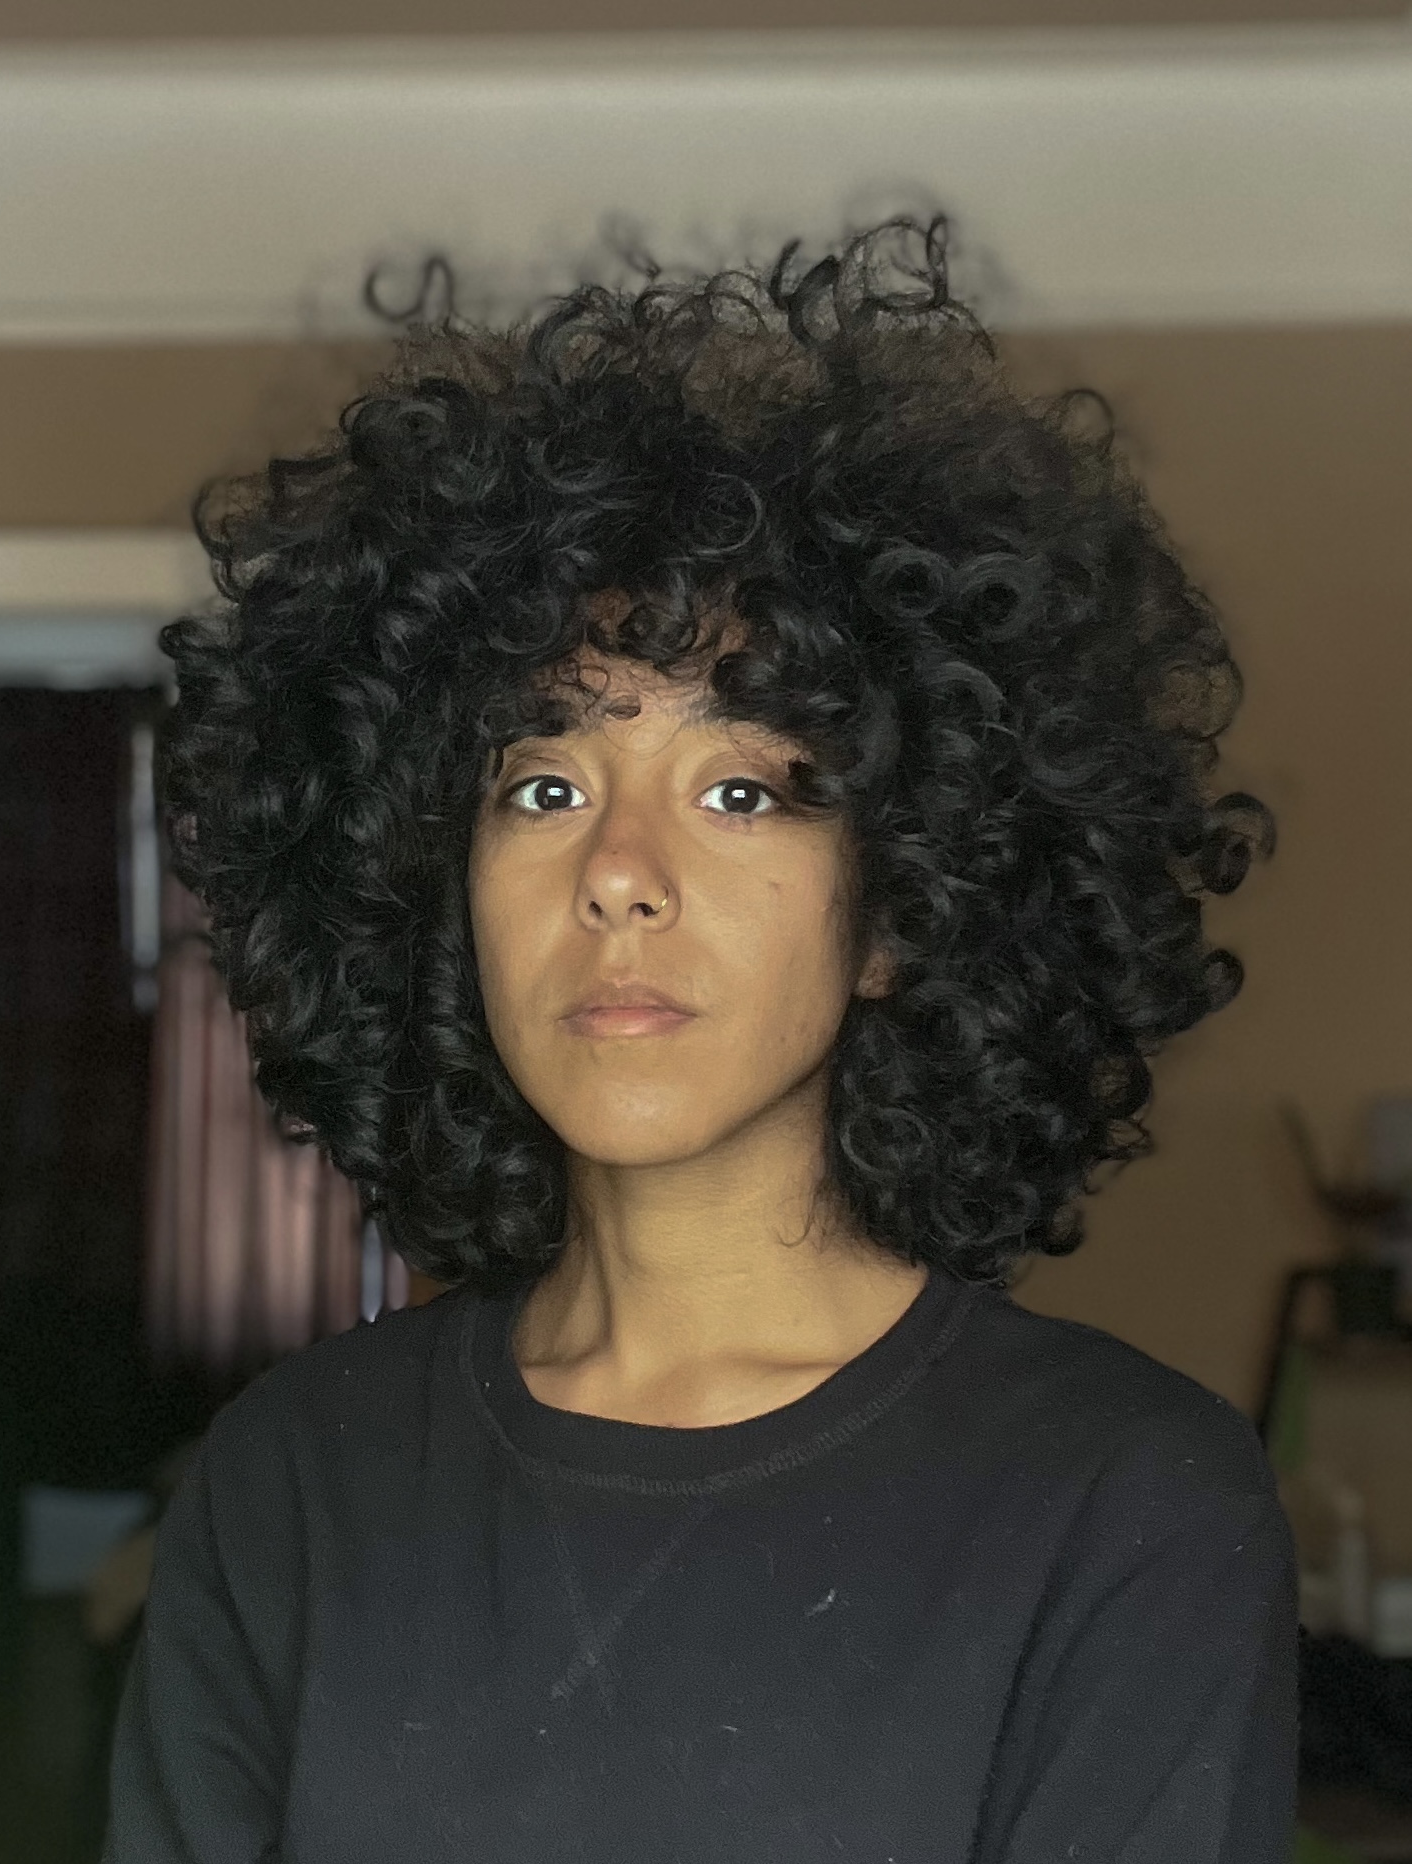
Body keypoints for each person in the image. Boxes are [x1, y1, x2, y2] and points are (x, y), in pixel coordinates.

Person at [101, 215, 1297, 1863]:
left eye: (741, 790)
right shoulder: (292, 1486)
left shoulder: (1128, 1503)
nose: (617, 873)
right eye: (543, 786)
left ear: (901, 908)